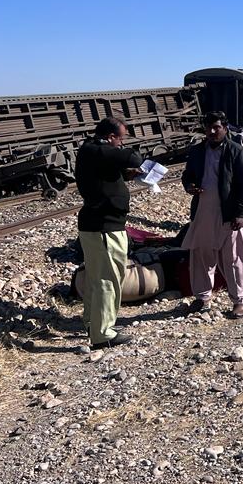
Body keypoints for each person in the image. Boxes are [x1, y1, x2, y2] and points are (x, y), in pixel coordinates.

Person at [74, 117, 143, 349]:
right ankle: (103, 333)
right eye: (120, 139)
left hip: (97, 226)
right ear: (111, 137)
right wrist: (126, 155)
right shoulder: (98, 149)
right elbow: (133, 157)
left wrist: (125, 176)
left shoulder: (91, 150)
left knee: (97, 279)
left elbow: (105, 174)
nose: (121, 144)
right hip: (104, 228)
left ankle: (93, 323)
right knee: (108, 280)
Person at [181, 111, 243, 319]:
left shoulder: (237, 151)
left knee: (233, 258)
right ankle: (202, 298)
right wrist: (190, 186)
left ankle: (239, 301)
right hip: (203, 211)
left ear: (225, 128)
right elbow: (187, 176)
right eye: (208, 128)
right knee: (201, 256)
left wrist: (240, 213)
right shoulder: (197, 151)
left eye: (217, 127)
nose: (212, 132)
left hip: (229, 214)